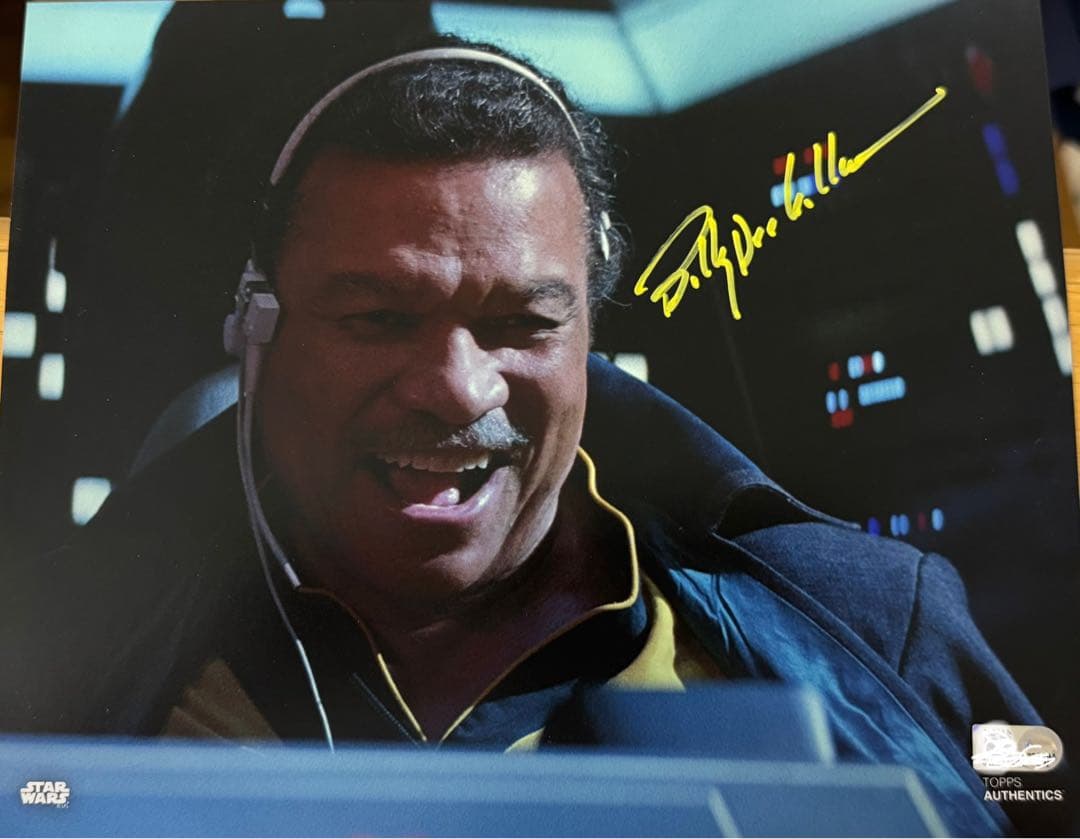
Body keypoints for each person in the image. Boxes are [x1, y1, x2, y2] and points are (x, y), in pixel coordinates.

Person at [1, 37, 1038, 835]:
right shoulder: (50, 658)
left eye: (522, 324)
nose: (458, 389)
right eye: (378, 318)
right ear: (260, 333)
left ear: (588, 333)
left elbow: (1039, 797)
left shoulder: (878, 625)